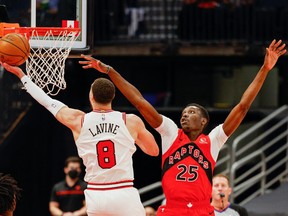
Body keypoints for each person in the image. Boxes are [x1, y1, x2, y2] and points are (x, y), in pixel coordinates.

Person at [78, 39, 286, 216]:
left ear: (204, 121)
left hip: (202, 210)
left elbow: (243, 106)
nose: (185, 115)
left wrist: (265, 69)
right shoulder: (170, 132)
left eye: (192, 112)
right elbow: (140, 102)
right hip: (172, 210)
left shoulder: (213, 139)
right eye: (184, 112)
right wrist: (110, 71)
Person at [1, 61, 159, 216]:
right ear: (113, 96)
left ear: (91, 97)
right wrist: (130, 140)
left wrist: (22, 75)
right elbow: (153, 151)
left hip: (96, 195)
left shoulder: (78, 120)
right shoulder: (131, 121)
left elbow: (47, 102)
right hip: (123, 191)